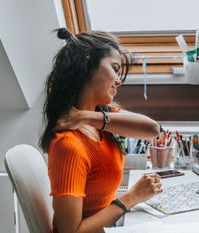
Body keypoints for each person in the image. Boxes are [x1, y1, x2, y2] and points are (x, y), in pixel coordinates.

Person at [39, 27, 162, 233]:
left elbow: (152, 129)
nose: (119, 80)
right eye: (114, 68)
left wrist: (86, 117)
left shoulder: (101, 117)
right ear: (87, 64)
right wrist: (131, 198)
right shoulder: (69, 145)